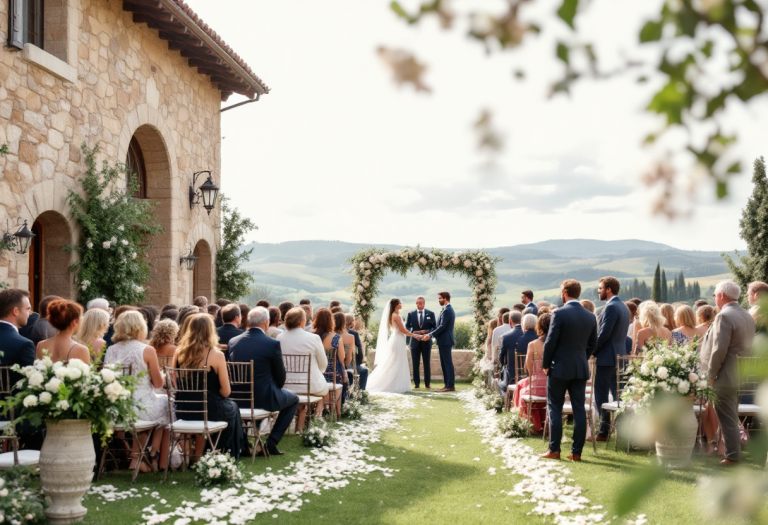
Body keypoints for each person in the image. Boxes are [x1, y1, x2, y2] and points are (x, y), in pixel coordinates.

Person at [174, 313, 246, 459]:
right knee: (232, 408)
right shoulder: (216, 355)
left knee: (229, 407)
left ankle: (196, 454)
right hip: (209, 409)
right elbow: (226, 392)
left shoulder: (179, 353)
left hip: (183, 408)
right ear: (211, 330)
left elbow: (176, 384)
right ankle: (223, 451)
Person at [105, 311, 170, 471]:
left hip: (116, 409)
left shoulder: (111, 350)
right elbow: (157, 384)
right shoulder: (146, 350)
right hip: (140, 407)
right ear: (140, 327)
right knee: (167, 405)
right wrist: (163, 375)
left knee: (149, 409)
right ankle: (151, 456)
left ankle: (139, 458)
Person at [229, 307, 299, 456]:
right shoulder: (271, 344)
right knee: (293, 399)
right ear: (267, 322)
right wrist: (277, 387)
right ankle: (272, 442)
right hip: (264, 398)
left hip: (237, 399)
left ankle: (244, 444)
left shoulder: (233, 342)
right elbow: (281, 377)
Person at [700, 280, 756, 466]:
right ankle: (734, 453)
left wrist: (711, 375)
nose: (714, 298)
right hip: (740, 373)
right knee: (731, 416)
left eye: (715, 294)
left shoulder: (725, 316)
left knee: (727, 418)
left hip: (725, 375)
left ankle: (732, 456)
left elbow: (719, 350)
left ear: (722, 295)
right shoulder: (746, 315)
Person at [541, 279, 597, 462]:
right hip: (580, 367)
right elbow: (593, 344)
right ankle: (576, 452)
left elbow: (550, 341)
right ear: (578, 293)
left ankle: (554, 450)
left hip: (559, 367)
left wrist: (546, 364)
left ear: (564, 293)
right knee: (579, 409)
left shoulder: (559, 314)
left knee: (555, 407)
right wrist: (583, 357)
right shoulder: (590, 316)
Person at [589, 276, 630, 443]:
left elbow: (604, 333)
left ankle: (603, 431)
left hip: (607, 358)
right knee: (619, 396)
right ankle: (622, 431)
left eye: (600, 288)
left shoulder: (611, 307)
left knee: (601, 396)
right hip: (620, 356)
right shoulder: (624, 307)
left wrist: (593, 351)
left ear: (608, 289)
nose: (598, 291)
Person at [277, 308, 329, 432]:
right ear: (302, 321)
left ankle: (296, 426)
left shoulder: (279, 337)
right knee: (323, 388)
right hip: (311, 386)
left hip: (285, 385)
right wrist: (318, 373)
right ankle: (313, 422)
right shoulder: (314, 338)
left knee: (300, 395)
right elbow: (323, 364)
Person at [366, 298, 418, 393]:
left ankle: (395, 382)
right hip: (398, 340)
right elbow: (403, 330)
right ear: (396, 305)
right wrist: (414, 335)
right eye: (400, 303)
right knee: (396, 362)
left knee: (395, 362)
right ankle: (393, 383)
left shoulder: (393, 315)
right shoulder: (396, 316)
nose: (401, 304)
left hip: (397, 339)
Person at [513, 313, 551, 432]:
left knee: (520, 386)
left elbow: (527, 368)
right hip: (552, 386)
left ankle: (529, 422)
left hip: (536, 386)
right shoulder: (559, 344)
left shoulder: (533, 345)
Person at [313, 308, 347, 415]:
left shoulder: (312, 336)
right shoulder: (336, 337)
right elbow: (342, 359)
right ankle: (336, 410)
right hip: (333, 375)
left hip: (317, 372)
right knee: (343, 376)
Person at [427, 292, 456, 392]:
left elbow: (442, 326)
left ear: (445, 298)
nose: (439, 300)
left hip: (446, 340)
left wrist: (430, 335)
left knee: (447, 363)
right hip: (443, 340)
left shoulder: (448, 310)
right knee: (444, 363)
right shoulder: (446, 309)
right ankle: (447, 384)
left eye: (440, 298)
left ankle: (450, 385)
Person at [405, 296, 436, 389]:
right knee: (415, 363)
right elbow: (407, 327)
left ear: (424, 303)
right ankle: (417, 384)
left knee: (427, 363)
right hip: (415, 342)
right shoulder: (411, 314)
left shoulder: (431, 314)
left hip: (426, 342)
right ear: (416, 303)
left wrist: (429, 334)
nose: (419, 305)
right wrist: (415, 333)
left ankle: (427, 384)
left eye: (421, 303)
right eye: (418, 303)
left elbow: (434, 327)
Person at [497, 312, 522, 397]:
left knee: (499, 384)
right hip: (527, 374)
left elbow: (501, 357)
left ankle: (506, 402)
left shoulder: (506, 336)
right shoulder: (530, 336)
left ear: (510, 321)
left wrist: (504, 364)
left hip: (512, 375)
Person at [333, 311, 355, 402]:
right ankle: (342, 401)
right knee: (347, 373)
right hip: (341, 368)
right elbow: (348, 361)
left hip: (326, 368)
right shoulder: (350, 337)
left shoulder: (329, 336)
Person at [345, 313, 368, 390]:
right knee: (365, 370)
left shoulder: (337, 333)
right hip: (351, 365)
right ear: (352, 322)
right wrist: (360, 360)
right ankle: (361, 391)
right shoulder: (353, 334)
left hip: (341, 365)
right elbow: (359, 349)